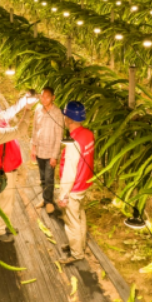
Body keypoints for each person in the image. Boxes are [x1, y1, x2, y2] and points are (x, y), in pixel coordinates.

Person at [0, 94, 36, 243]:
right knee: (4, 201)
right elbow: (20, 131)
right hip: (5, 171)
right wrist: (28, 111)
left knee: (8, 201)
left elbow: (13, 109)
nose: (0, 110)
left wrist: (25, 98)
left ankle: (4, 225)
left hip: (10, 167)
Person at [57, 101, 95, 265]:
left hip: (74, 187)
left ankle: (77, 253)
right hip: (85, 183)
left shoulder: (73, 142)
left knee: (72, 222)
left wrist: (63, 194)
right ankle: (78, 245)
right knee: (80, 216)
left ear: (69, 119)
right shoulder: (88, 134)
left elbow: (69, 172)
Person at [30, 87, 64, 215]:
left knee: (49, 178)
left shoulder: (57, 113)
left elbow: (59, 136)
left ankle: (49, 201)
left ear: (53, 98)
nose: (44, 99)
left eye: (47, 97)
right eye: (42, 96)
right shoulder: (38, 110)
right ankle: (45, 199)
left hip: (50, 152)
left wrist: (54, 156)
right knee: (43, 176)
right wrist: (33, 147)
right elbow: (35, 129)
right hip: (40, 149)